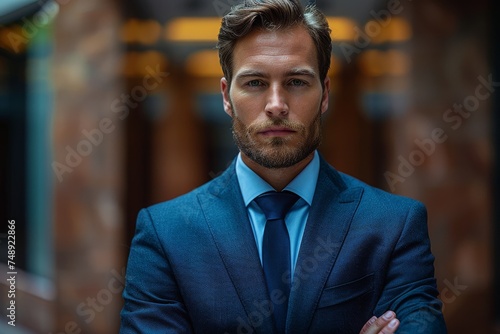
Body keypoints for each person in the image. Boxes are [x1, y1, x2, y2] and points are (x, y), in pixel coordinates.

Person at [120, 0, 447, 333]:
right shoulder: (165, 234)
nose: (276, 105)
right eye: (255, 83)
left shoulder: (395, 225)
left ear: (324, 94)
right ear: (225, 96)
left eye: (296, 82)